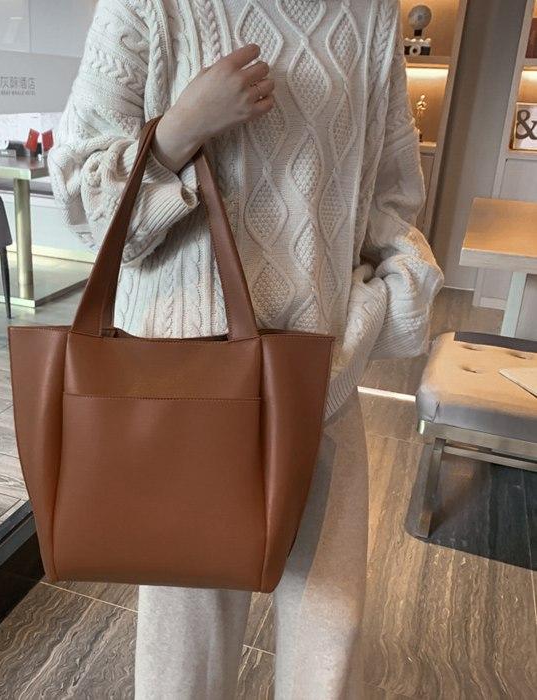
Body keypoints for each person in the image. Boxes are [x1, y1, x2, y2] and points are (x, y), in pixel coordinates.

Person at [48, 0, 443, 697]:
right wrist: (179, 130)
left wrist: (365, 321)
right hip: (186, 388)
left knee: (330, 641)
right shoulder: (150, 8)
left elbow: (391, 204)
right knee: (185, 659)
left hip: (323, 372)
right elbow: (82, 202)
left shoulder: (371, 14)